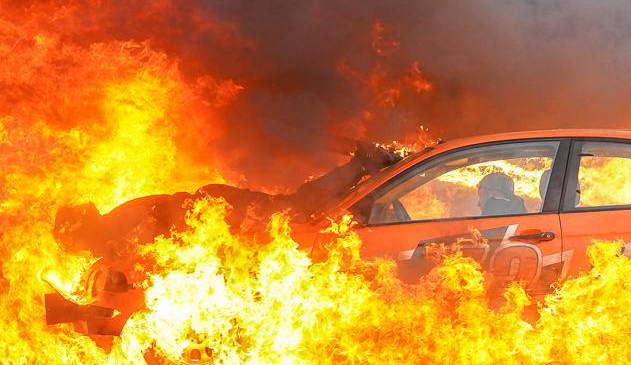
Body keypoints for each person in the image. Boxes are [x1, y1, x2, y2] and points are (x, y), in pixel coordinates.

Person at [54, 146, 401, 259]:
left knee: (293, 211)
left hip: (218, 211)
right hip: (212, 207)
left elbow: (158, 237)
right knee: (300, 214)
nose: (84, 252)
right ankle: (365, 191)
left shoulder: (119, 226)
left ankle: (362, 165)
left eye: (78, 246)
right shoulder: (118, 219)